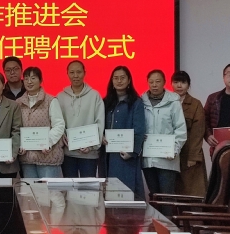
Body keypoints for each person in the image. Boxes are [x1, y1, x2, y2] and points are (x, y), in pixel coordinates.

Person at [141, 70, 187, 197]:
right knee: (154, 195)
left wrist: (174, 149)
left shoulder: (173, 102)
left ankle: (168, 212)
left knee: (167, 196)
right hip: (148, 159)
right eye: (151, 82)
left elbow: (180, 129)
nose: (154, 85)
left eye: (158, 81)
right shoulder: (141, 102)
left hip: (167, 158)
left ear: (164, 82)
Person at [102, 66, 146, 199]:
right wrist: (100, 136)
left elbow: (139, 129)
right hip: (107, 155)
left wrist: (132, 152)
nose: (119, 81)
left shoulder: (136, 103)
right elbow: (100, 124)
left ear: (129, 80)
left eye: (122, 78)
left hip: (125, 155)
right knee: (107, 194)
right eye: (116, 78)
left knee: (126, 194)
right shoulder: (105, 102)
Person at [56, 60, 104, 178]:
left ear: (84, 73)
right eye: (72, 72)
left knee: (87, 187)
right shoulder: (60, 97)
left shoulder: (94, 95)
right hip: (68, 153)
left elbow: (100, 122)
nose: (75, 75)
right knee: (70, 187)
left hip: (89, 154)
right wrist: (62, 136)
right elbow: (57, 123)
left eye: (79, 72)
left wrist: (91, 146)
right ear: (67, 74)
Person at [16, 67, 66, 178]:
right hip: (27, 157)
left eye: (33, 78)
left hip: (48, 156)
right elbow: (15, 128)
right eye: (26, 78)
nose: (29, 82)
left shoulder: (51, 100)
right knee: (30, 189)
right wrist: (19, 144)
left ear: (41, 80)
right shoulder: (18, 103)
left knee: (48, 189)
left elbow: (59, 125)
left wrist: (48, 141)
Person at [171, 71, 208, 197]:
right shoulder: (167, 102)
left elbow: (198, 132)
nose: (179, 86)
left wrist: (193, 156)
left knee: (192, 191)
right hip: (170, 153)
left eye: (183, 82)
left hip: (189, 153)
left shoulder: (195, 104)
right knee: (173, 190)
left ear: (188, 85)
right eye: (176, 82)